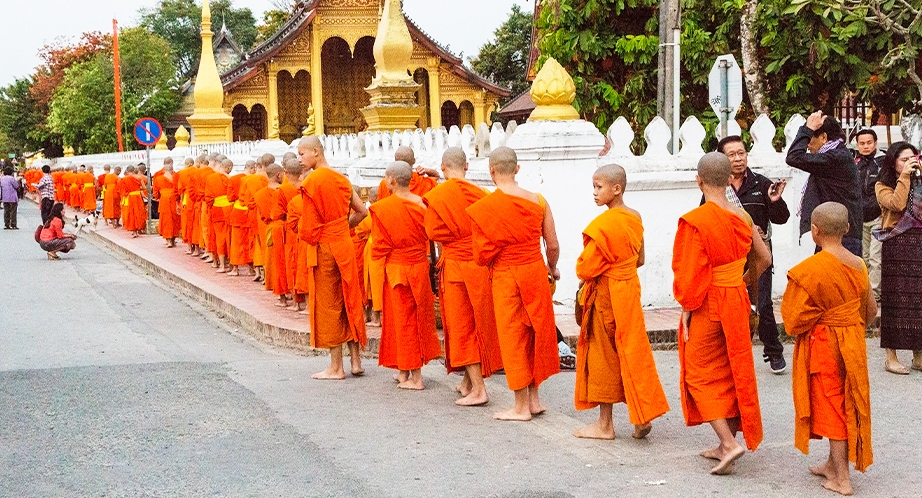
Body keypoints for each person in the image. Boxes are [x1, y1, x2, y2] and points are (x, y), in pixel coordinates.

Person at [672, 152, 771, 475]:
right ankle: (723, 443)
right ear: (730, 179)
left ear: (698, 180)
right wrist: (740, 282)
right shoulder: (742, 217)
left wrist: (687, 308)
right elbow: (764, 259)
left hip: (708, 301)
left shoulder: (695, 221)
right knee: (732, 367)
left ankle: (728, 443)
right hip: (735, 297)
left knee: (698, 372)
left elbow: (689, 274)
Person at [780, 202, 874, 496]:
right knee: (846, 400)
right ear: (847, 229)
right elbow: (869, 312)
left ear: (814, 232)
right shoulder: (858, 264)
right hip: (852, 341)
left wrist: (821, 318)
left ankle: (842, 479)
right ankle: (832, 465)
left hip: (824, 343)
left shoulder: (809, 269)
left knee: (833, 405)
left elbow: (793, 320)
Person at [573, 164, 669, 440]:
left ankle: (605, 425)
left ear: (616, 189)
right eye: (593, 186)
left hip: (606, 295)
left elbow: (585, 269)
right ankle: (641, 418)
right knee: (632, 351)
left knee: (604, 356)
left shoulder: (605, 224)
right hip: (628, 292)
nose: (594, 192)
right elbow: (640, 259)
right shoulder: (634, 217)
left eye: (599, 187)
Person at [466, 146, 561, 421]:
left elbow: (481, 255)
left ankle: (520, 407)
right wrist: (552, 268)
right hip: (534, 271)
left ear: (491, 171)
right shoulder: (539, 200)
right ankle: (534, 399)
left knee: (513, 336)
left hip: (507, 275)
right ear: (517, 169)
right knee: (534, 333)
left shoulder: (485, 208)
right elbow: (552, 244)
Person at [422, 147, 503, 406]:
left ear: (443, 167)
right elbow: (492, 228)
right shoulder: (481, 194)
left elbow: (432, 231)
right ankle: (468, 381)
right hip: (480, 265)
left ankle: (480, 390)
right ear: (467, 166)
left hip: (456, 267)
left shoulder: (438, 196)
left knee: (462, 327)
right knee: (479, 323)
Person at [716, 135, 791, 374]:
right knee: (734, 306)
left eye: (742, 153)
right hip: (730, 255)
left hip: (759, 255)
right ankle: (735, 351)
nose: (738, 159)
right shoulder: (717, 186)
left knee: (763, 303)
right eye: (732, 155)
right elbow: (708, 216)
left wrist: (775, 202)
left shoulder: (761, 184)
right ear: (722, 159)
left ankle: (774, 351)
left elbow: (781, 218)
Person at [298, 136, 368, 380]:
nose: (300, 159)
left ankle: (336, 367)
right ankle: (356, 361)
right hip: (344, 243)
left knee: (329, 304)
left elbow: (307, 229)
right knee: (349, 297)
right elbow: (362, 212)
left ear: (316, 152)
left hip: (325, 247)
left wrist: (323, 233)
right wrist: (341, 227)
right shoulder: (342, 179)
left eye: (303, 154)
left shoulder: (312, 181)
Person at [372, 161, 441, 390]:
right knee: (413, 318)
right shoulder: (423, 204)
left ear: (390, 180)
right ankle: (403, 370)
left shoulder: (383, 208)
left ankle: (417, 378)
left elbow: (379, 247)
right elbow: (432, 234)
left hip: (397, 269)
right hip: (419, 266)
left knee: (405, 322)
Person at [874, 141, 922, 374]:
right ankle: (890, 356)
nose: (909, 163)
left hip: (919, 244)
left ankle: (918, 354)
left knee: (918, 302)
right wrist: (904, 177)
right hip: (897, 245)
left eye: (912, 158)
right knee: (894, 301)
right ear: (893, 162)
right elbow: (897, 203)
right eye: (904, 159)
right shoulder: (882, 185)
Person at [786, 111, 862, 256]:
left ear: (823, 137)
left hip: (842, 238)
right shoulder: (835, 155)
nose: (807, 146)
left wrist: (806, 129)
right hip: (834, 235)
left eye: (809, 139)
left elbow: (793, 157)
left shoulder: (836, 158)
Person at [853, 129, 883, 302]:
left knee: (875, 257)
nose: (865, 146)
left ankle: (875, 295)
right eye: (862, 143)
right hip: (860, 218)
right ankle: (864, 292)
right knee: (863, 257)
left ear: (875, 143)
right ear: (857, 145)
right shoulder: (855, 163)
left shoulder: (882, 163)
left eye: (869, 143)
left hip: (878, 218)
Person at [254, 164, 286, 299]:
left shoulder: (259, 195)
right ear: (278, 175)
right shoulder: (285, 191)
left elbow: (262, 216)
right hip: (287, 228)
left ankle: (280, 292)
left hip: (271, 228)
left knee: (274, 260)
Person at [153, 159, 181, 248]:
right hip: (173, 199)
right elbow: (179, 189)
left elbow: (156, 193)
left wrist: (158, 197)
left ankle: (169, 240)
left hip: (164, 200)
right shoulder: (176, 176)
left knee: (167, 220)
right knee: (174, 219)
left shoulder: (158, 178)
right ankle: (172, 240)